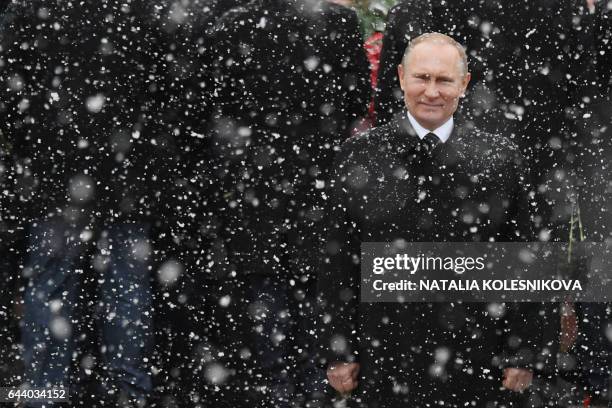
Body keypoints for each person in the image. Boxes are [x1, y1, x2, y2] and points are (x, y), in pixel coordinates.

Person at [317, 33, 558, 407]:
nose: (432, 91)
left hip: (478, 354)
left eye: (444, 80)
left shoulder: (500, 158)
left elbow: (527, 260)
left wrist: (523, 352)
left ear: (464, 83)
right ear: (400, 77)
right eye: (421, 77)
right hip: (385, 353)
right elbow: (338, 259)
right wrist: (339, 348)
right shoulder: (359, 155)